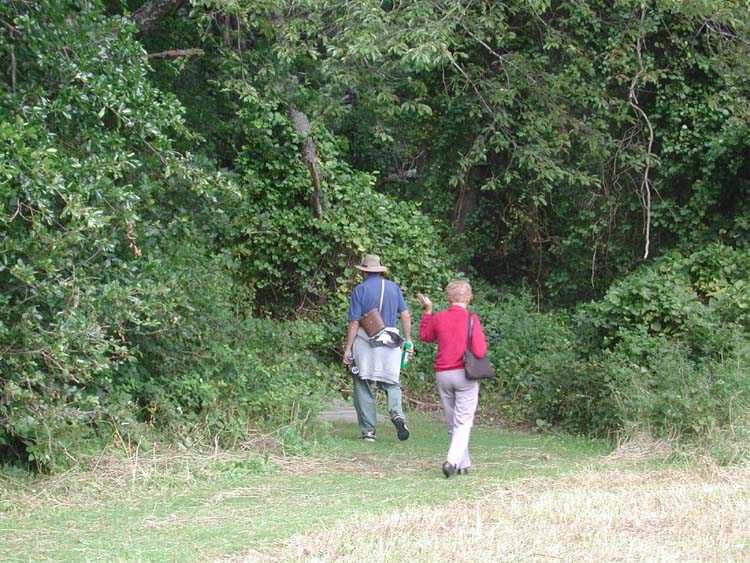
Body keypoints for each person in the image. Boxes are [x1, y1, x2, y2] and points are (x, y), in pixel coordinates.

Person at [416, 281, 487, 477]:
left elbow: (425, 336)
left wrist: (428, 310)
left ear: (448, 298)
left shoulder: (439, 318)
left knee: (451, 420)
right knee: (463, 421)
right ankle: (452, 461)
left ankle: (462, 464)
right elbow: (480, 350)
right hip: (465, 374)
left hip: (443, 374)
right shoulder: (472, 319)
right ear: (469, 297)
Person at [343, 254, 413, 442]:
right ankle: (397, 414)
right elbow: (405, 316)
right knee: (392, 382)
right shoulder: (393, 288)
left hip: (366, 340)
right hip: (390, 339)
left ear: (364, 271)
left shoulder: (360, 290)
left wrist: (348, 349)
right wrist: (407, 340)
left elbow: (354, 323)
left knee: (362, 382)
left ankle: (368, 432)